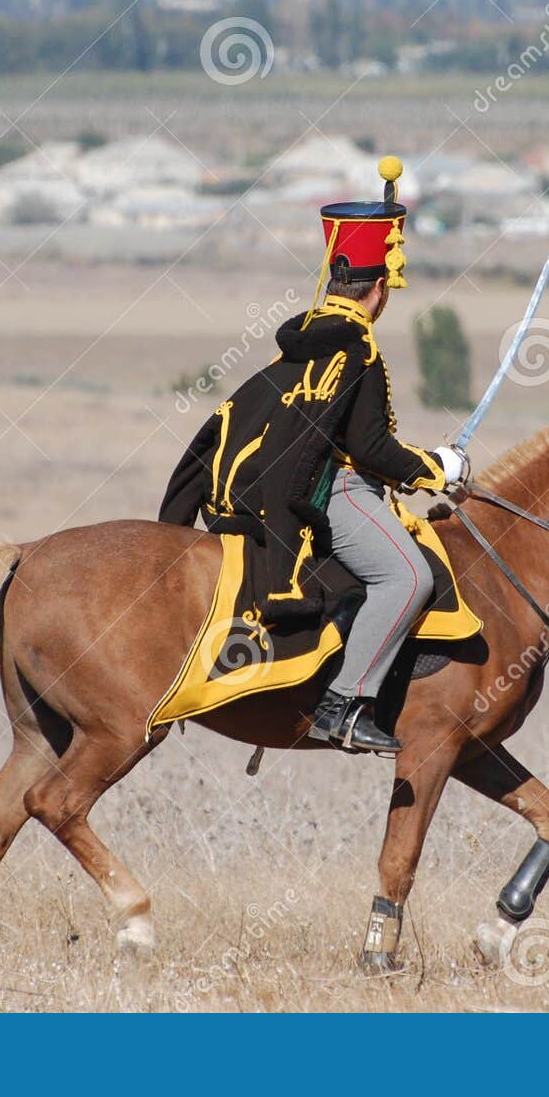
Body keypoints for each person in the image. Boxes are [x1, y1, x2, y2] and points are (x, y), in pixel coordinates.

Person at [159, 157, 465, 755]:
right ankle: (344, 705)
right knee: (408, 577)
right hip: (336, 491)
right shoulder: (358, 350)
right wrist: (438, 468)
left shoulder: (303, 345)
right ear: (379, 290)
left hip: (258, 495)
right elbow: (368, 448)